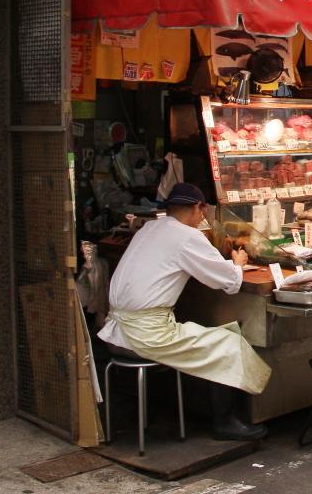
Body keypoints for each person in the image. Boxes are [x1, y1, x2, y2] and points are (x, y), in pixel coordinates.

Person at [100, 183, 271, 441]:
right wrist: (237, 264)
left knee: (211, 335)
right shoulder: (187, 236)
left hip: (115, 332)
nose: (203, 217)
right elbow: (226, 281)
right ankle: (226, 423)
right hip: (146, 335)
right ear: (197, 207)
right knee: (228, 342)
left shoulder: (149, 228)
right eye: (203, 211)